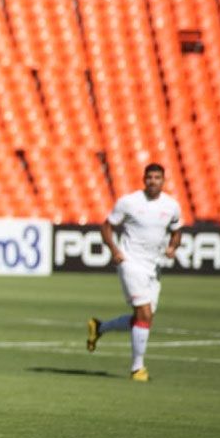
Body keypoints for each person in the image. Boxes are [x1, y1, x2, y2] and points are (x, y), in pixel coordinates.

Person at [86, 163, 183, 382]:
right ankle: (137, 369)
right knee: (145, 314)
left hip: (154, 266)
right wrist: (115, 250)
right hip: (131, 263)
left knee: (143, 319)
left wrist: (172, 247)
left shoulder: (172, 205)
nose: (153, 181)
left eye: (157, 177)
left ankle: (100, 327)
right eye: (149, 177)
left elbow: (177, 232)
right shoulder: (129, 202)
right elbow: (106, 226)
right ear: (143, 179)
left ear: (163, 180)